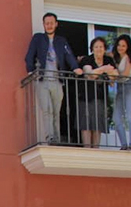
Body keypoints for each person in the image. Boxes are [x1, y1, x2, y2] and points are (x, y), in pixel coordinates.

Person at [24, 12, 82, 145]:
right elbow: (29, 55)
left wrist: (75, 67)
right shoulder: (38, 38)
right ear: (44, 25)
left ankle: (56, 137)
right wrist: (30, 70)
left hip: (57, 80)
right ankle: (50, 137)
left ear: (56, 24)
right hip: (42, 79)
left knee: (56, 111)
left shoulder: (61, 41)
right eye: (47, 23)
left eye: (51, 23)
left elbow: (69, 55)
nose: (49, 25)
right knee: (47, 109)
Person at [76, 37, 116, 148]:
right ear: (92, 49)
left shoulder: (108, 60)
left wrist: (103, 71)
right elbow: (89, 74)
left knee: (97, 124)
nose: (99, 49)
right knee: (86, 124)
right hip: (86, 96)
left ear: (105, 49)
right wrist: (104, 69)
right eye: (96, 47)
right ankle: (87, 148)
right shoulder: (87, 60)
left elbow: (115, 75)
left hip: (101, 96)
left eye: (101, 47)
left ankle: (96, 149)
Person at [112, 34, 131, 150]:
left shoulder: (129, 57)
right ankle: (124, 144)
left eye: (123, 45)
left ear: (128, 47)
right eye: (119, 45)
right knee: (116, 118)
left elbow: (126, 74)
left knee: (130, 116)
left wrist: (114, 75)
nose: (121, 48)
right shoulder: (116, 58)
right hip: (120, 88)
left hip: (129, 86)